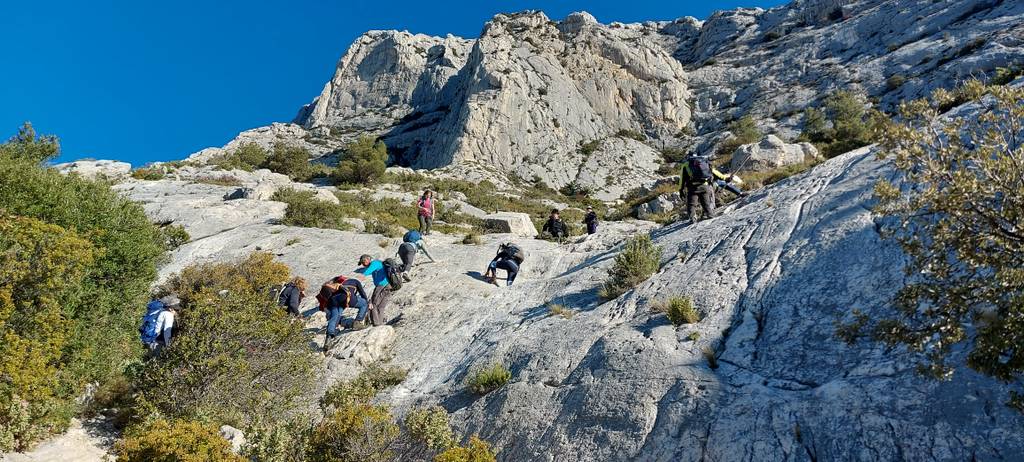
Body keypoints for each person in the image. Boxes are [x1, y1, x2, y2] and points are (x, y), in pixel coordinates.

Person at [679, 154, 731, 222]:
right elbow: (714, 172)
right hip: (705, 186)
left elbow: (682, 179)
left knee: (691, 204)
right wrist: (725, 178)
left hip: (693, 188)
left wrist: (681, 189)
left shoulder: (686, 165)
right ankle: (710, 215)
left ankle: (692, 218)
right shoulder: (704, 161)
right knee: (706, 203)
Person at [325, 276, 370, 343]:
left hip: (334, 300)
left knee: (335, 316)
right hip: (347, 298)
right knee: (364, 304)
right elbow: (362, 293)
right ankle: (357, 322)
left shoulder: (338, 285)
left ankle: (329, 336)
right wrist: (367, 302)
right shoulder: (355, 281)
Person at [356, 254, 393, 326]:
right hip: (388, 285)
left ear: (368, 259)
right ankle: (380, 323)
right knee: (381, 306)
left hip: (381, 286)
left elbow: (370, 269)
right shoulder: (377, 263)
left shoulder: (375, 263)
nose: (363, 265)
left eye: (363, 262)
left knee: (373, 305)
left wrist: (363, 275)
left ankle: (376, 323)